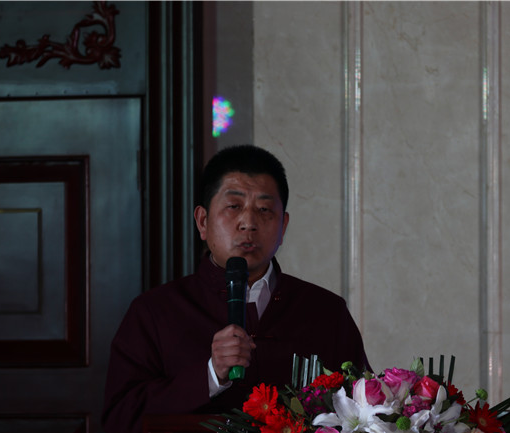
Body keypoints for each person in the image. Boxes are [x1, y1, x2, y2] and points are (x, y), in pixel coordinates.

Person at [102, 144, 370, 433]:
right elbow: (120, 419)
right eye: (234, 207)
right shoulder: (154, 312)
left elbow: (365, 412)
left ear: (283, 226)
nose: (248, 223)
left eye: (264, 209)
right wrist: (210, 375)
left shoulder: (326, 311)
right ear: (202, 221)